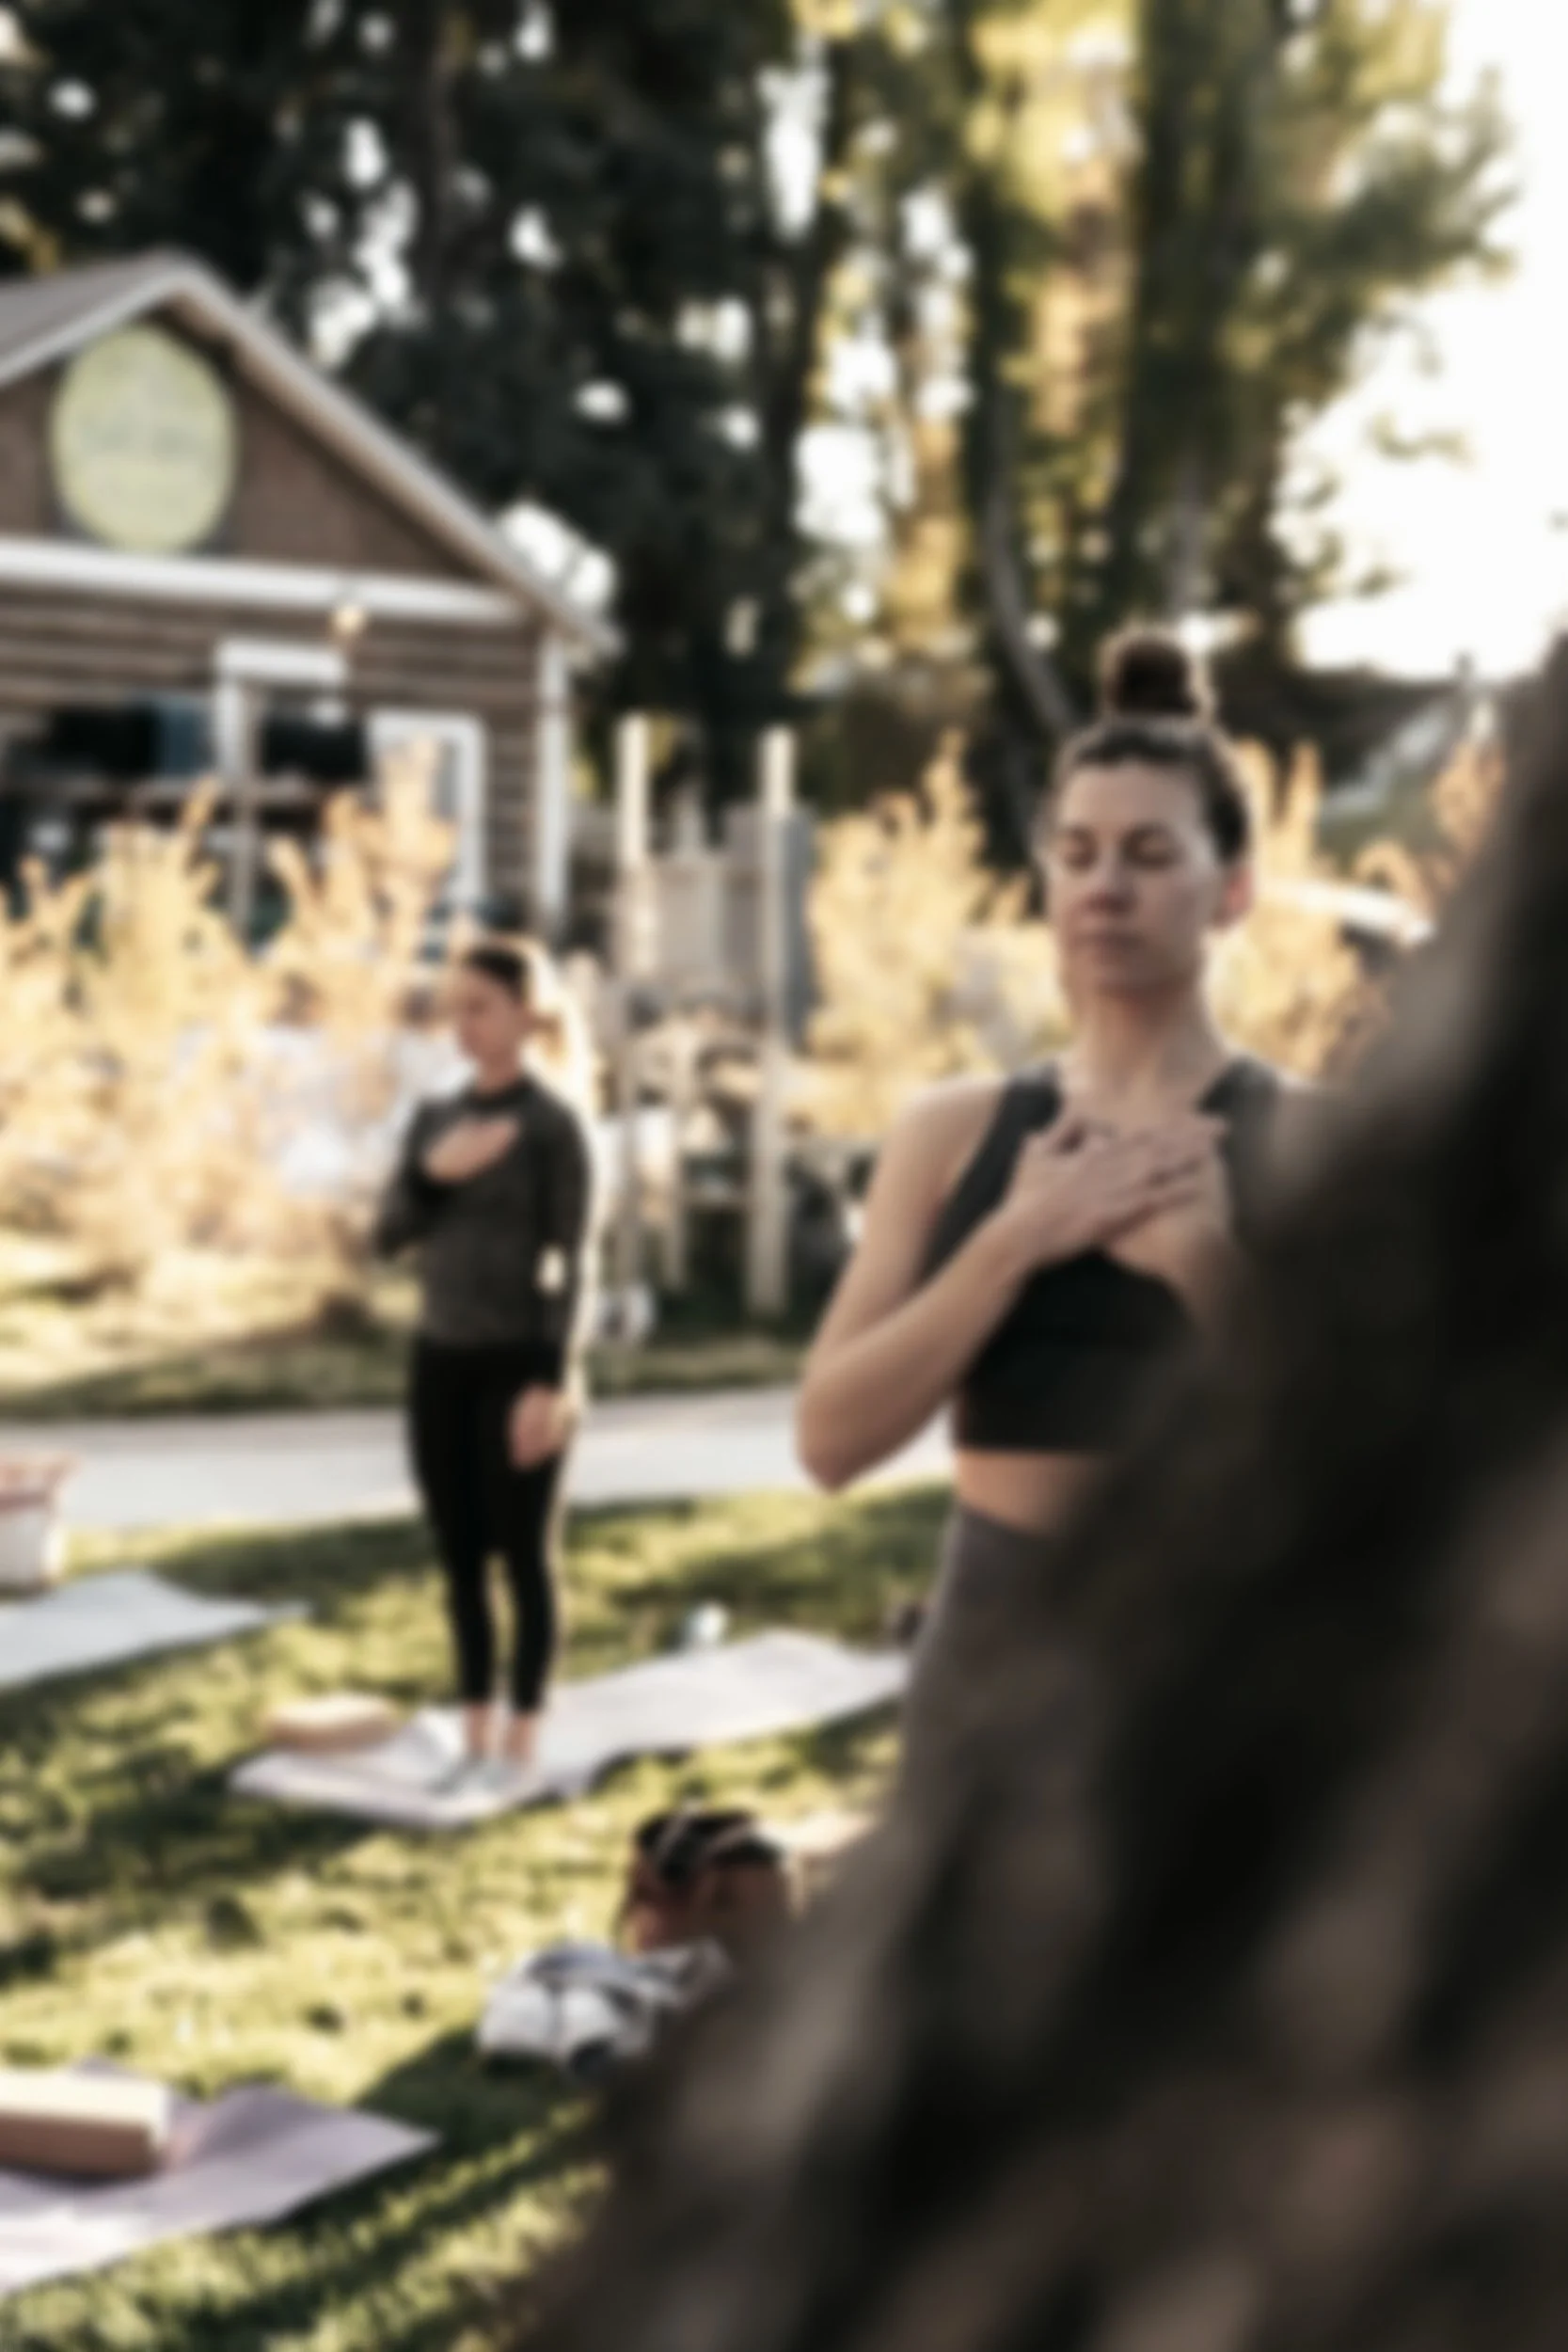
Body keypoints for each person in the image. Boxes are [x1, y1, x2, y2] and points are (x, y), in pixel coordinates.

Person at [796, 628, 1294, 1766]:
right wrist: (1011, 1242)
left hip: (1214, 1655)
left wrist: (1201, 1261)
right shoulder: (949, 1132)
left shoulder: (1314, 1136)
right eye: (1076, 853)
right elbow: (827, 1441)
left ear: (1231, 891)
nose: (1104, 887)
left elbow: (1371, 1467)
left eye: (1148, 854)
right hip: (988, 1651)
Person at [375, 941, 595, 1791]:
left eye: (480, 1006)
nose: (462, 1023)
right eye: (455, 1006)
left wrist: (550, 1382)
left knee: (524, 1558)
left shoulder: (552, 1126)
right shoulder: (435, 1118)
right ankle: (472, 1734)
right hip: (439, 1363)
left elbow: (573, 1263)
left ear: (526, 1015)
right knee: (459, 1558)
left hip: (520, 1369)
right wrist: (433, 1174)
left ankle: (521, 1741)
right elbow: (387, 1235)